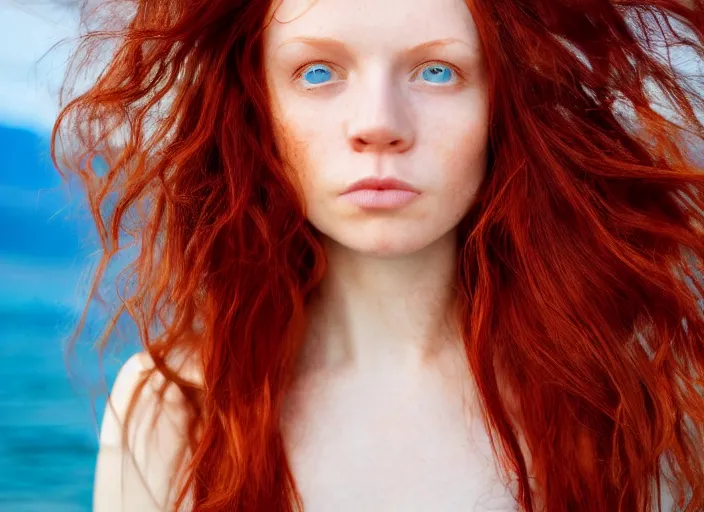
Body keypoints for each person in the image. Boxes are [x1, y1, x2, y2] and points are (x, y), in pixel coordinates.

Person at [50, 0, 704, 510]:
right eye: (317, 71)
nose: (379, 122)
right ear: (260, 110)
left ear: (503, 104)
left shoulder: (629, 402)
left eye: (437, 70)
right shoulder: (174, 405)